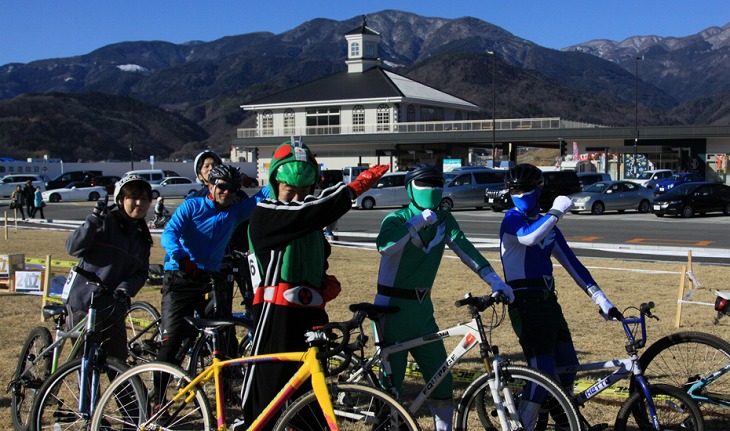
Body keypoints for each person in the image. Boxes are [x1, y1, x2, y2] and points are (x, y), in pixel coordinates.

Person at [241, 139, 388, 430]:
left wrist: (322, 284)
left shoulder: (311, 229)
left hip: (311, 318)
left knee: (312, 389)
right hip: (275, 317)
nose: (297, 198)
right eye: (289, 190)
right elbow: (309, 211)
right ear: (275, 184)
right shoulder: (266, 213)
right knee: (267, 396)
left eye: (304, 191)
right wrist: (351, 189)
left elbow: (317, 254)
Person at [373, 164, 513, 431]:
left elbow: (466, 249)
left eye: (438, 185)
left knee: (441, 381)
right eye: (425, 185)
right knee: (391, 388)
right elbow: (386, 247)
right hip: (390, 313)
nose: (433, 190)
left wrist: (494, 280)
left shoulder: (445, 220)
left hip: (423, 312)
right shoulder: (395, 218)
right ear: (409, 189)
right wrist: (416, 222)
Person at [498, 163, 619, 429]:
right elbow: (528, 238)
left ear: (538, 189)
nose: (519, 194)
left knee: (568, 367)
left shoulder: (548, 225)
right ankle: (524, 426)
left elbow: (574, 265)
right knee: (540, 370)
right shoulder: (512, 218)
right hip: (525, 302)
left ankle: (564, 422)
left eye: (526, 189)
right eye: (514, 189)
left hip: (548, 301)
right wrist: (556, 211)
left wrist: (601, 299)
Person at [156, 165, 267, 378]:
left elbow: (262, 195)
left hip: (209, 279)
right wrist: (181, 257)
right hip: (180, 277)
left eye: (233, 188)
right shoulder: (192, 206)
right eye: (222, 187)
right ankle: (158, 401)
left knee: (222, 335)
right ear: (210, 185)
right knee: (172, 341)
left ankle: (224, 389)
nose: (227, 192)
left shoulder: (235, 212)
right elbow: (168, 234)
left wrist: (285, 166)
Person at [63, 175, 153, 363]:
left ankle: (128, 394)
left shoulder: (142, 238)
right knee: (84, 363)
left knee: (118, 363)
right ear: (120, 200)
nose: (139, 203)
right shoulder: (105, 221)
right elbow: (73, 247)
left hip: (113, 306)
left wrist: (126, 288)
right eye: (133, 197)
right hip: (84, 301)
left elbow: (141, 273)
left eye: (144, 198)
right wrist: (93, 220)